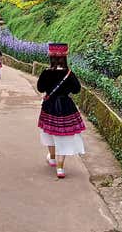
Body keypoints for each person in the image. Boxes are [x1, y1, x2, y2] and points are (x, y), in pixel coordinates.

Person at [37, 43, 85, 179]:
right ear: (65, 57)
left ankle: (52, 158)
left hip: (49, 106)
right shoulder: (69, 73)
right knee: (63, 136)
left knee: (49, 132)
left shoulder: (46, 73)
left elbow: (40, 88)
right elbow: (76, 89)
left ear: (51, 57)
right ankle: (60, 167)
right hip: (66, 106)